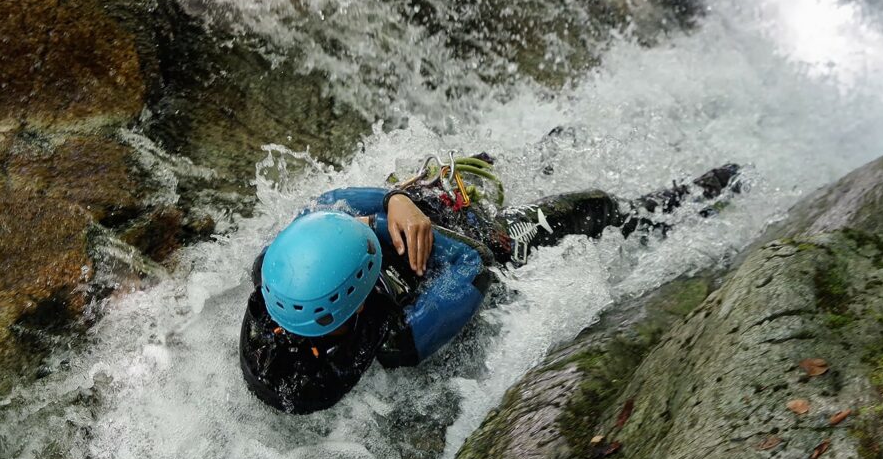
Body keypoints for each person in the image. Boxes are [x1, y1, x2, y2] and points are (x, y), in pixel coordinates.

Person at [240, 153, 740, 414]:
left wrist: (395, 199)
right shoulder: (400, 337)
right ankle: (681, 205)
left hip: (395, 242)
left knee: (477, 164)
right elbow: (472, 265)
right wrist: (416, 223)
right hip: (473, 246)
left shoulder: (277, 283)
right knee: (588, 207)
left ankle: (536, 153)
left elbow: (325, 206)